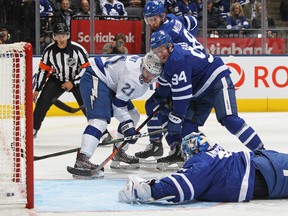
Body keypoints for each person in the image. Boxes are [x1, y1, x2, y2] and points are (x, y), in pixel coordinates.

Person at [145, 30, 265, 169]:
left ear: (169, 46)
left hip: (216, 82)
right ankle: (204, 159)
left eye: (161, 50)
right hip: (199, 92)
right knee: (188, 130)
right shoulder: (166, 62)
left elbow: (182, 96)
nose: (159, 55)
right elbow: (165, 88)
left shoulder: (176, 60)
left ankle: (263, 153)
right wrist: (159, 98)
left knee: (230, 119)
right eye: (156, 51)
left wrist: (175, 119)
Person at [119, 132, 288, 204]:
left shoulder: (203, 162)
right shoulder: (215, 152)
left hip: (263, 176)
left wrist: (149, 189)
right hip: (267, 160)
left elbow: (183, 184)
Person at [68, 50, 163, 177]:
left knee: (133, 115)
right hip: (96, 76)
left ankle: (119, 152)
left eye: (153, 75)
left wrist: (128, 126)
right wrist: (128, 128)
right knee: (99, 121)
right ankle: (82, 158)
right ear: (143, 66)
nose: (148, 77)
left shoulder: (145, 68)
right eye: (147, 72)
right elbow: (118, 105)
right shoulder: (133, 77)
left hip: (111, 83)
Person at [133, 0, 200, 167]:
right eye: (148, 20)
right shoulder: (172, 18)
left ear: (162, 15)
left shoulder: (164, 32)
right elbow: (193, 22)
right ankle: (157, 144)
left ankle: (178, 147)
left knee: (163, 107)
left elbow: (159, 58)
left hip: (187, 69)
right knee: (152, 105)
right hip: (190, 63)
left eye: (154, 19)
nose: (151, 24)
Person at [33, 23, 89, 139]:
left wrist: (73, 82)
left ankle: (101, 131)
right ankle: (33, 130)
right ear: (53, 37)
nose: (61, 39)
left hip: (76, 81)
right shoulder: (49, 51)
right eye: (58, 36)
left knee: (87, 104)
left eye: (64, 35)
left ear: (68, 35)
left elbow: (86, 68)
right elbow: (43, 70)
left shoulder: (78, 49)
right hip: (57, 80)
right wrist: (37, 89)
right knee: (42, 102)